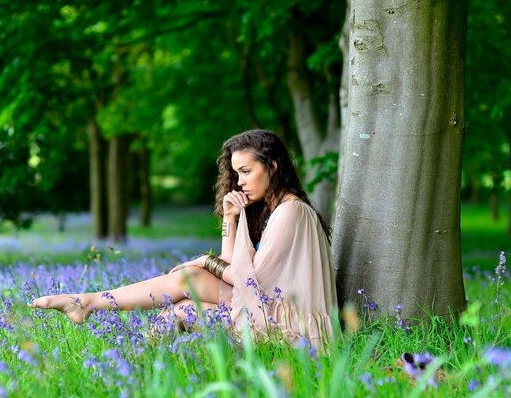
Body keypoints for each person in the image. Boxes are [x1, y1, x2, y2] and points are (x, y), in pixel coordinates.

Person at [30, 129, 337, 348]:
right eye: (236, 173)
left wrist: (204, 260)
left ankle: (93, 309)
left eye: (246, 171)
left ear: (272, 166)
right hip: (268, 310)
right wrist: (230, 220)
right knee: (182, 299)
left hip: (292, 330)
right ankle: (128, 356)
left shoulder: (290, 213)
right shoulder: (275, 210)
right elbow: (231, 265)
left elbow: (249, 282)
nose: (240, 182)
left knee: (185, 293)